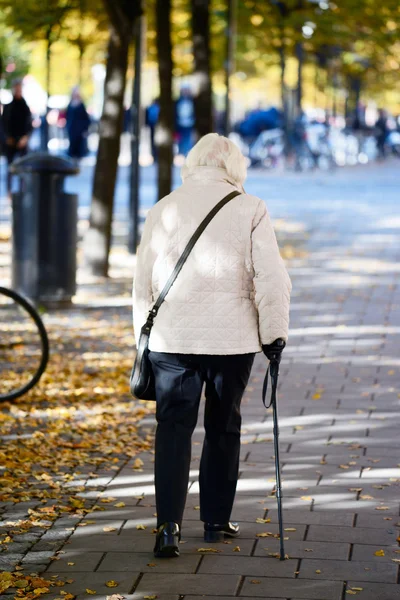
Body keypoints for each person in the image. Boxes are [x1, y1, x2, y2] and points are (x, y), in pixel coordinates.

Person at [132, 133, 292, 558]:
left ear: (193, 162)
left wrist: (142, 340)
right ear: (234, 166)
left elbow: (142, 283)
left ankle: (168, 526)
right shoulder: (250, 208)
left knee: (173, 429)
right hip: (232, 340)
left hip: (173, 340)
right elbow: (270, 278)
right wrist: (274, 335)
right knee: (224, 425)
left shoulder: (163, 207)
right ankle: (216, 522)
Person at [2, 78, 32, 190]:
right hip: (10, 142)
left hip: (22, 142)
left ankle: (22, 190)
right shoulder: (8, 107)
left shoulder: (25, 106)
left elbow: (29, 125)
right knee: (10, 169)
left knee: (23, 168)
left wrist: (25, 138)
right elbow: (3, 124)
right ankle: (9, 192)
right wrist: (7, 138)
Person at [66, 87, 91, 159]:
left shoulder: (81, 105)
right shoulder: (70, 104)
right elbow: (67, 117)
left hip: (80, 131)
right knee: (72, 148)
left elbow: (85, 118)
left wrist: (85, 129)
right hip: (72, 130)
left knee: (80, 149)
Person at [175, 87, 195, 156]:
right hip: (180, 123)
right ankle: (182, 152)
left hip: (189, 123)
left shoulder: (191, 101)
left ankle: (187, 151)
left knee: (188, 138)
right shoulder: (178, 101)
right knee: (181, 139)